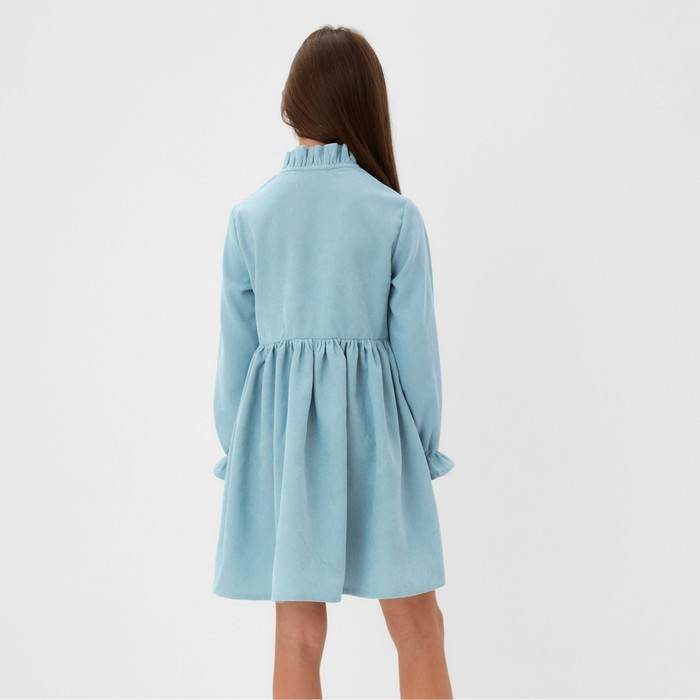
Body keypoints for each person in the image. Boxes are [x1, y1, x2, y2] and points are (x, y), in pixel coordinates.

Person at [211, 24, 455, 699]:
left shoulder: (250, 218)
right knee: (419, 627)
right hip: (381, 444)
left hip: (282, 449)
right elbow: (417, 356)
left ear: (293, 106)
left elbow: (235, 362)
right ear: (366, 105)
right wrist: (421, 450)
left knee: (297, 635)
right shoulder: (394, 215)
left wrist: (239, 453)